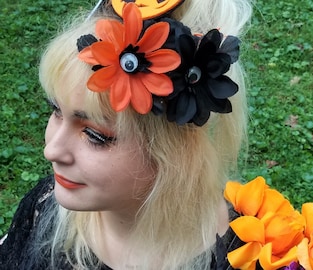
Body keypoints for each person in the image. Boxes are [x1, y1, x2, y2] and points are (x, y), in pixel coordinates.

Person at [0, 0, 252, 269]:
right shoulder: (43, 210)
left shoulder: (255, 255)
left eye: (95, 136)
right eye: (56, 110)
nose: (51, 151)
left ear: (174, 153)